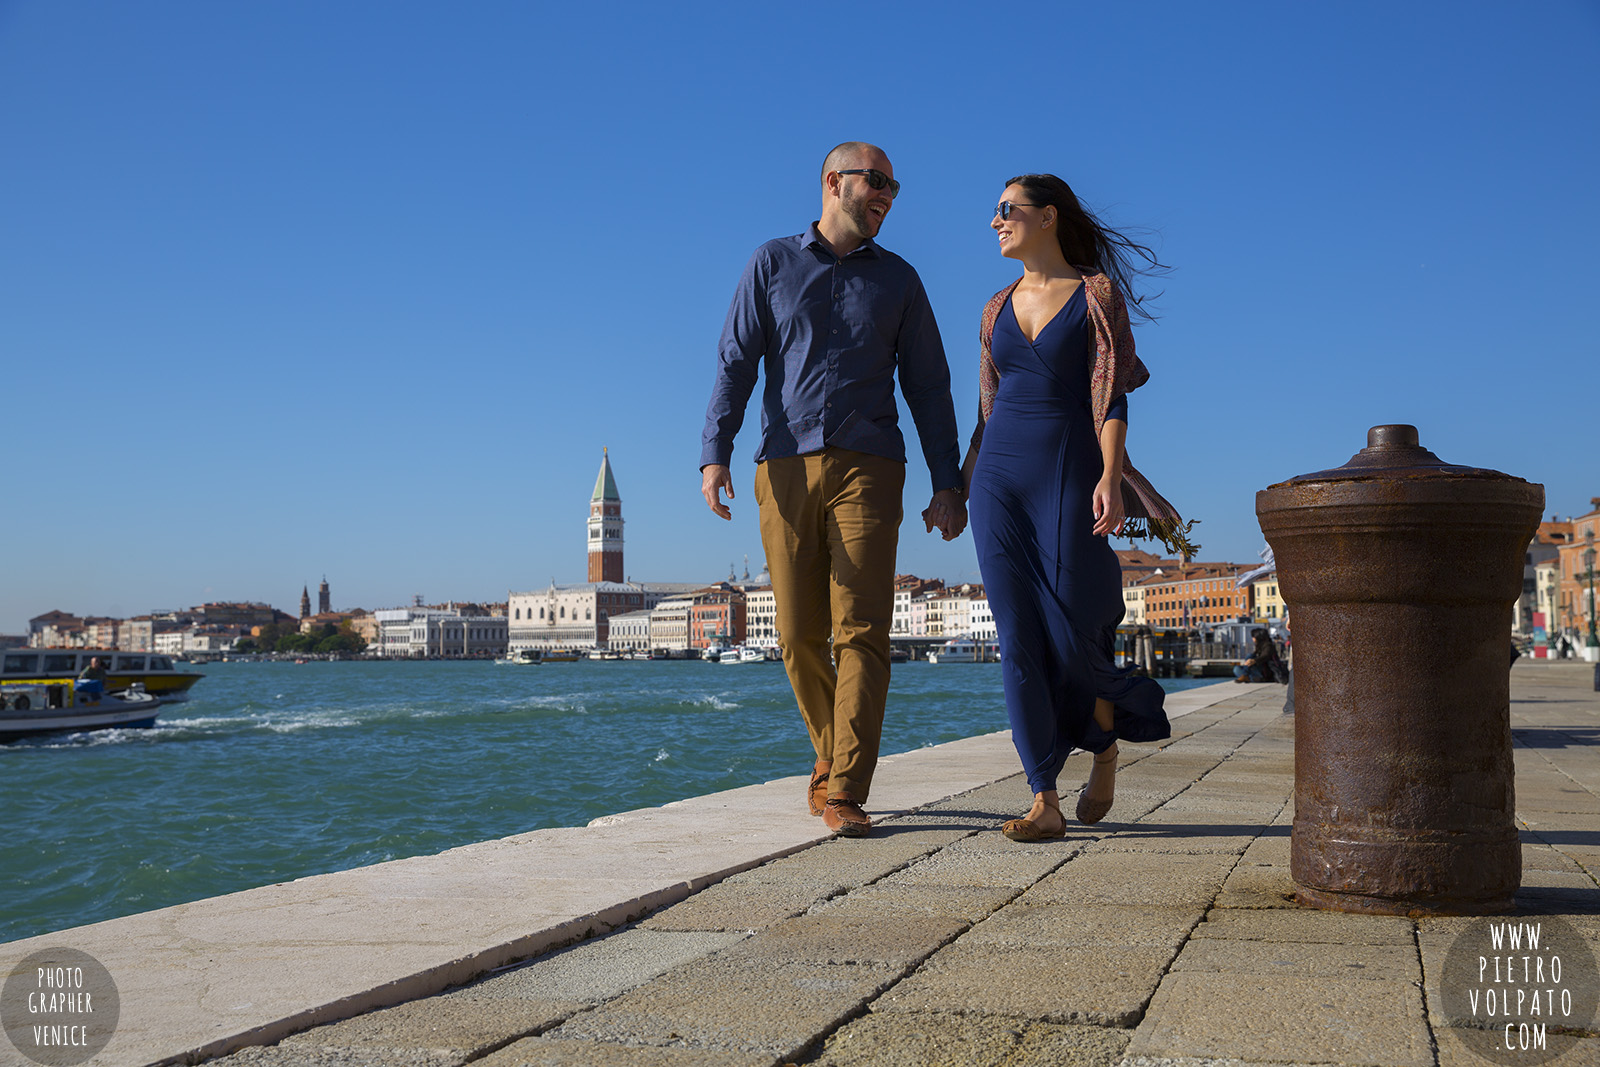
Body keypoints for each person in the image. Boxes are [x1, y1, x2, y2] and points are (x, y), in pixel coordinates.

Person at [699, 142, 965, 838]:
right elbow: (736, 361)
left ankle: (845, 785)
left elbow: (930, 387)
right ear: (831, 182)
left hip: (870, 466)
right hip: (782, 466)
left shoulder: (902, 282)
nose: (885, 195)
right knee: (794, 634)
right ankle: (829, 748)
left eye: (893, 187)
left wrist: (949, 482)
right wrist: (714, 452)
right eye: (874, 181)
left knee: (863, 631)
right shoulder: (772, 262)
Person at [960, 173, 1194, 840]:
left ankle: (1107, 743)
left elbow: (1113, 396)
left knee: (1070, 630)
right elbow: (985, 407)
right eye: (996, 212)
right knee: (1017, 638)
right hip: (997, 482)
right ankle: (1044, 796)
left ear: (1048, 218)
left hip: (1068, 472)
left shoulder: (1095, 296)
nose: (996, 221)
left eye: (1008, 210)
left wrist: (1113, 474)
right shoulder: (992, 308)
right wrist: (954, 487)